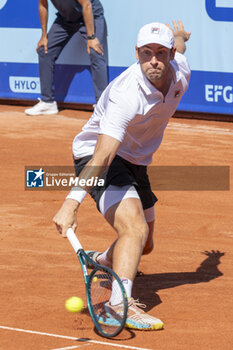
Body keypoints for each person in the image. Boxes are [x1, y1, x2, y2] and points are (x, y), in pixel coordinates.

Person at [53, 20, 191, 330]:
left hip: (137, 160)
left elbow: (180, 50)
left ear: (169, 54)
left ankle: (102, 260)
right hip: (98, 156)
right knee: (134, 228)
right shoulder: (125, 95)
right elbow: (103, 154)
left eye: (160, 52)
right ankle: (119, 305)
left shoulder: (181, 70)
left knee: (144, 244)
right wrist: (70, 203)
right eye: (145, 53)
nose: (152, 60)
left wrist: (180, 38)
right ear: (136, 53)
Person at [25, 0, 108, 116]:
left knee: (95, 51)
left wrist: (92, 37)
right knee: (44, 50)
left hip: (90, 14)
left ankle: (103, 107)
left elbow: (87, 5)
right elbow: (43, 5)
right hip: (66, 19)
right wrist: (44, 36)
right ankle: (47, 102)